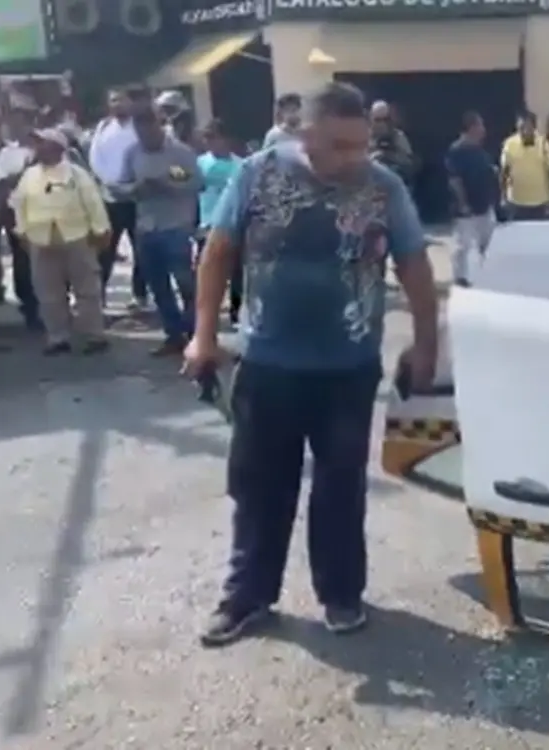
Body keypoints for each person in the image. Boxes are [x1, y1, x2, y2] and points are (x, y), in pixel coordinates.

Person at [184, 81, 437, 647]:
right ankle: (247, 597)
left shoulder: (383, 187)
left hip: (347, 369)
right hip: (268, 364)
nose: (356, 158)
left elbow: (417, 267)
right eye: (340, 145)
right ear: (304, 134)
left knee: (340, 488)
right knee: (259, 488)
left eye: (362, 144)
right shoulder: (258, 173)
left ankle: (342, 594)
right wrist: (203, 336)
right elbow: (219, 252)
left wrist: (426, 347)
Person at [8, 128, 111, 354]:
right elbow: (19, 204)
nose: (39, 148)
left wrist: (100, 229)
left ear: (58, 147)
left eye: (43, 143)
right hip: (41, 239)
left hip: (76, 236)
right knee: (48, 292)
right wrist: (22, 232)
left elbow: (93, 202)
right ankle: (57, 337)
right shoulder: (30, 175)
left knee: (86, 289)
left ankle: (94, 335)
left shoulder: (76, 174)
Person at [120, 107, 203, 356]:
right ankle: (173, 334)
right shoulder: (133, 153)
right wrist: (135, 189)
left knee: (185, 282)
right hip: (146, 227)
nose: (146, 137)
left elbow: (194, 182)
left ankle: (195, 331)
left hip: (175, 225)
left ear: (160, 127)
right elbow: (121, 185)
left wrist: (167, 184)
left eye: (150, 130)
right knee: (158, 285)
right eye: (141, 132)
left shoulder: (179, 154)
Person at [89, 86, 148, 309]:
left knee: (140, 249)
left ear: (130, 103)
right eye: (113, 100)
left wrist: (133, 184)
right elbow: (95, 158)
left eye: (121, 100)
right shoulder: (103, 128)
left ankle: (140, 295)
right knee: (105, 249)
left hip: (136, 197)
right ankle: (98, 295)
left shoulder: (140, 128)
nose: (117, 104)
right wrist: (108, 182)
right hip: (110, 197)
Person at [0, 107, 41, 329]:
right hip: (15, 214)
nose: (15, 125)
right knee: (21, 262)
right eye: (11, 121)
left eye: (19, 121)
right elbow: (2, 183)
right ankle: (29, 305)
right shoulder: (8, 152)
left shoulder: (42, 147)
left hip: (42, 214)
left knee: (40, 262)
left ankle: (44, 306)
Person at [196, 119, 244, 326]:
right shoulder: (199, 163)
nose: (209, 142)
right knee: (207, 271)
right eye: (206, 137)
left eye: (213, 137)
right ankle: (207, 316)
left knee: (236, 273)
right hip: (206, 224)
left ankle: (237, 311)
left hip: (233, 226)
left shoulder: (241, 166)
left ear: (225, 139)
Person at [445, 110, 497, 286]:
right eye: (480, 125)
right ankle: (459, 278)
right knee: (463, 245)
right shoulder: (457, 150)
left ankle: (483, 274)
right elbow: (455, 179)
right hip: (466, 209)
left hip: (484, 205)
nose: (483, 129)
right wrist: (463, 203)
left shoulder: (479, 150)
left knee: (487, 243)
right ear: (472, 127)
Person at [500, 111, 549, 221]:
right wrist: (503, 197)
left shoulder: (543, 144)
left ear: (534, 127)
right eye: (521, 127)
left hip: (541, 202)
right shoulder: (509, 144)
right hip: (517, 202)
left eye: (528, 127)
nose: (524, 130)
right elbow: (504, 172)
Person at [368, 100, 416, 186]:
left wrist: (388, 156)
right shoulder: (365, 137)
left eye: (385, 119)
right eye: (378, 120)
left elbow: (409, 164)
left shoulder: (398, 136)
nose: (381, 124)